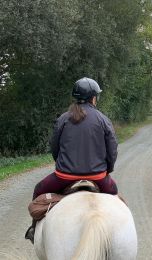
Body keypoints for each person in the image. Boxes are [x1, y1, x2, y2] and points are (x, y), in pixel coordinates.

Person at [25, 77, 118, 243]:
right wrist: (107, 171)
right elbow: (112, 150)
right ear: (94, 98)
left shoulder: (63, 119)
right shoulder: (103, 120)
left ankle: (33, 229)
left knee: (39, 189)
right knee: (115, 196)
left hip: (64, 177)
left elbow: (55, 148)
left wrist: (62, 165)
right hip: (97, 177)